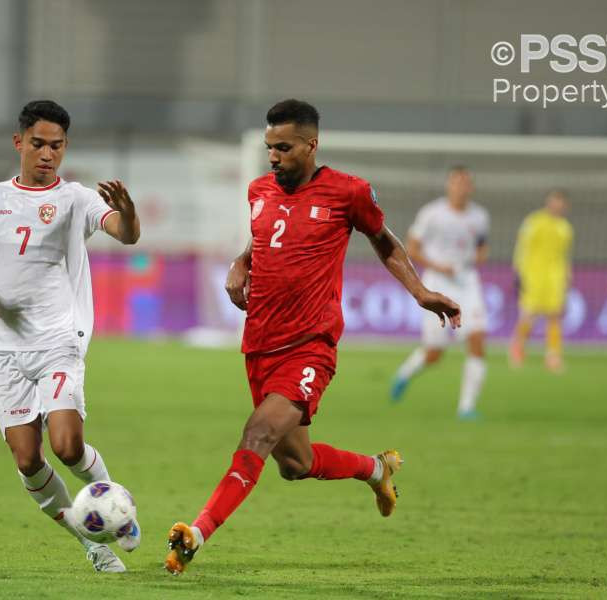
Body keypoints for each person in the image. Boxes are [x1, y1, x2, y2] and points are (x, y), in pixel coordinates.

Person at [164, 99, 461, 575]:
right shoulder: (259, 190)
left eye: (283, 148)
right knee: (294, 464)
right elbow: (261, 239)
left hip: (310, 345)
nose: (274, 157)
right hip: (259, 343)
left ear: (311, 145)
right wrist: (242, 262)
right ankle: (377, 469)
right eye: (269, 148)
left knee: (258, 432)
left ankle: (195, 534)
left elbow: (384, 241)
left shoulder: (348, 192)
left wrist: (421, 291)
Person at [0, 100, 142, 573]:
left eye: (56, 146)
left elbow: (126, 234)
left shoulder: (76, 199)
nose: (47, 154)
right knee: (27, 460)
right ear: (19, 143)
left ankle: (116, 509)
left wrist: (128, 211)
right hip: (0, 345)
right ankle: (92, 544)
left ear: (65, 147)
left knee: (67, 446)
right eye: (38, 144)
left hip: (58, 339)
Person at [389, 166, 490, 420]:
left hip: (467, 283)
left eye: (466, 183)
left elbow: (482, 248)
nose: (461, 187)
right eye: (456, 182)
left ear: (471, 187)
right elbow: (411, 248)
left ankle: (466, 408)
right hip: (437, 282)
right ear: (449, 186)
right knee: (435, 352)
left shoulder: (479, 217)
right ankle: (405, 373)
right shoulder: (432, 214)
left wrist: (473, 261)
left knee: (477, 341)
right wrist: (438, 266)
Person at [509, 190, 573, 373]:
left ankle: (553, 356)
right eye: (554, 201)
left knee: (555, 315)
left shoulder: (565, 228)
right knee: (529, 314)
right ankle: (517, 348)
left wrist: (568, 273)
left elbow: (564, 254)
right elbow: (522, 247)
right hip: (534, 275)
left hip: (555, 277)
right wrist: (518, 271)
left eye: (560, 203)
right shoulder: (534, 221)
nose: (556, 205)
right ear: (548, 202)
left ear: (565, 206)